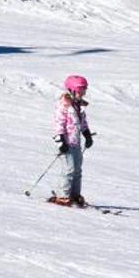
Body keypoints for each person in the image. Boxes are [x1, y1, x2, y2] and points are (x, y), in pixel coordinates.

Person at [49, 74, 94, 208]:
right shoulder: (64, 105)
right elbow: (59, 124)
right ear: (71, 90)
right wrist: (61, 141)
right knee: (69, 169)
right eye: (80, 90)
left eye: (84, 90)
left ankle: (74, 194)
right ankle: (63, 196)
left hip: (76, 142)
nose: (83, 93)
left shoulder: (78, 106)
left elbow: (83, 123)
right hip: (66, 143)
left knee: (78, 169)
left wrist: (87, 135)